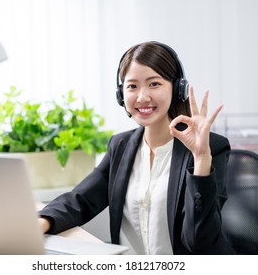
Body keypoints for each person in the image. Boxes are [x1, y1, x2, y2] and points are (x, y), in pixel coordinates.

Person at [38, 41, 235, 255]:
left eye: (154, 84)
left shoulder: (211, 148)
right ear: (121, 95)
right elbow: (81, 200)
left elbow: (200, 244)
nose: (142, 97)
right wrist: (42, 222)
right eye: (132, 86)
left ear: (178, 88)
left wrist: (201, 161)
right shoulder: (120, 147)